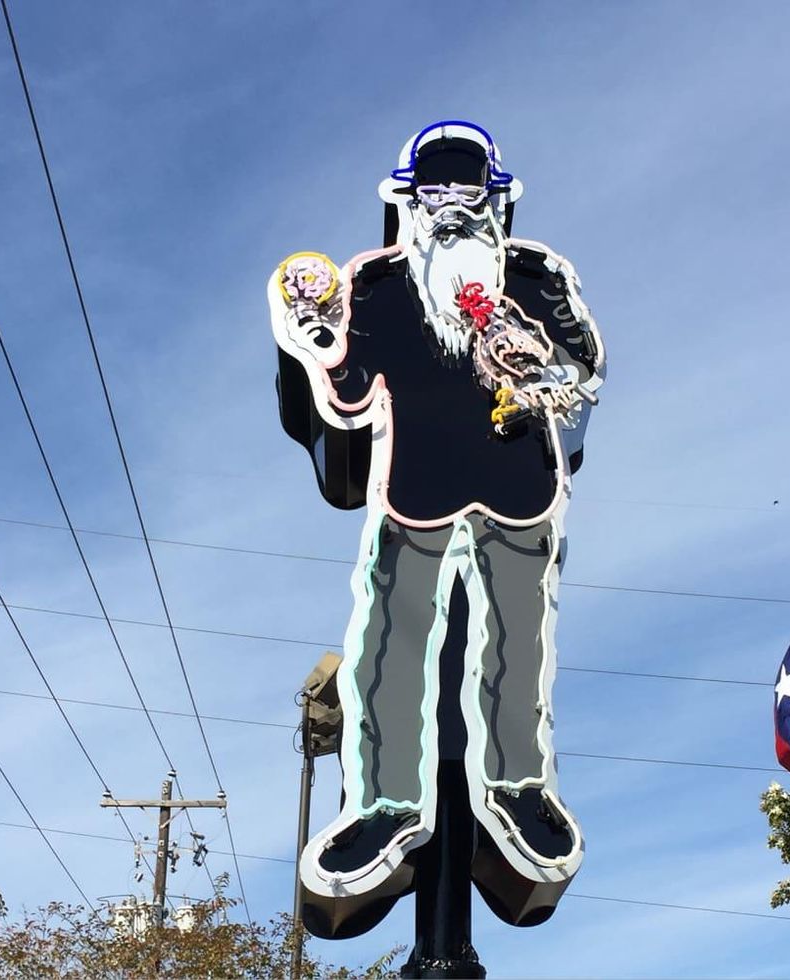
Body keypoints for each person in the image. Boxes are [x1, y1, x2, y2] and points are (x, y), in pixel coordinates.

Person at [269, 121, 606, 936]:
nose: (453, 207)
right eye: (436, 191)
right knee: (388, 645)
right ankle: (385, 807)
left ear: (496, 198)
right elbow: (345, 402)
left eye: (468, 190)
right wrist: (316, 339)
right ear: (409, 200)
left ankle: (518, 792)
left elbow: (585, 367)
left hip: (520, 491)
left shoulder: (536, 275)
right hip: (412, 495)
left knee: (518, 647)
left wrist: (543, 372)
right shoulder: (377, 283)